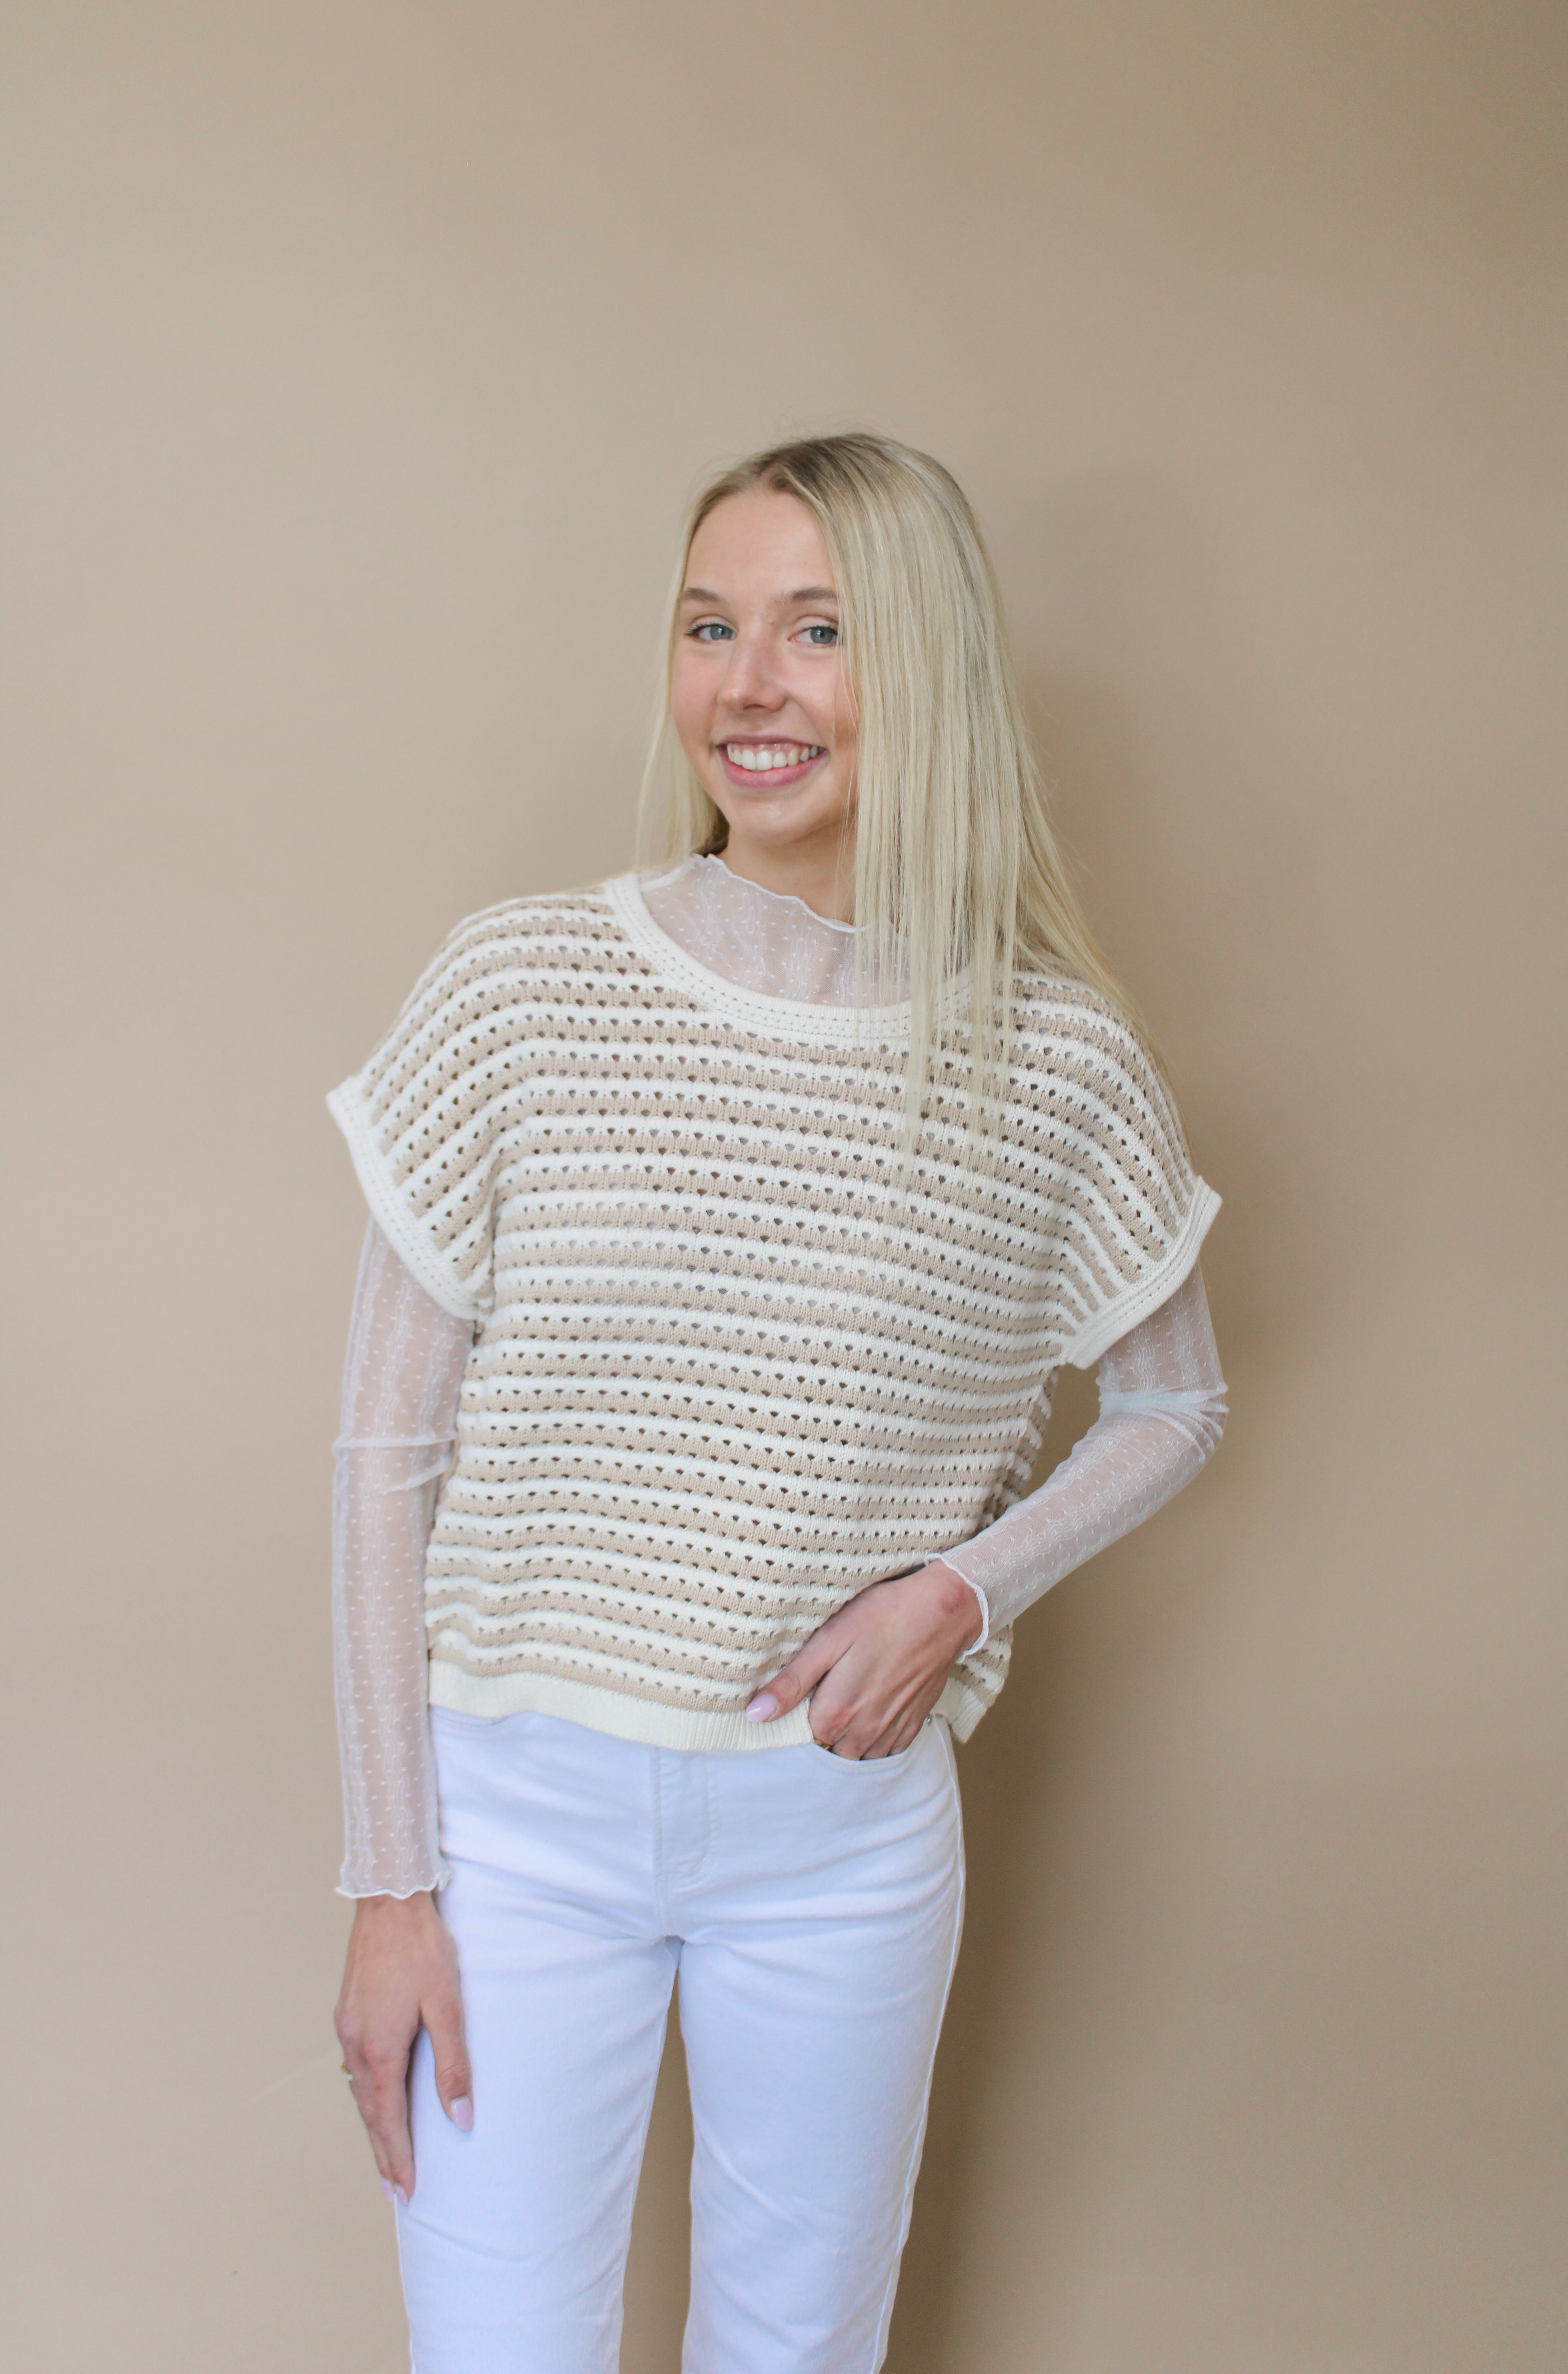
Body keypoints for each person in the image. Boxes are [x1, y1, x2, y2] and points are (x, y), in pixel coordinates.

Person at [327, 432, 1226, 2374]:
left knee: (798, 2352)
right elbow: (383, 1462)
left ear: (927, 670)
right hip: (513, 1826)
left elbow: (1175, 1403)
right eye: (707, 625)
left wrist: (956, 1597)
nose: (750, 685)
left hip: (837, 1838)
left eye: (819, 631)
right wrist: (390, 1887)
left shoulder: (1054, 1064)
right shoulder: (520, 989)